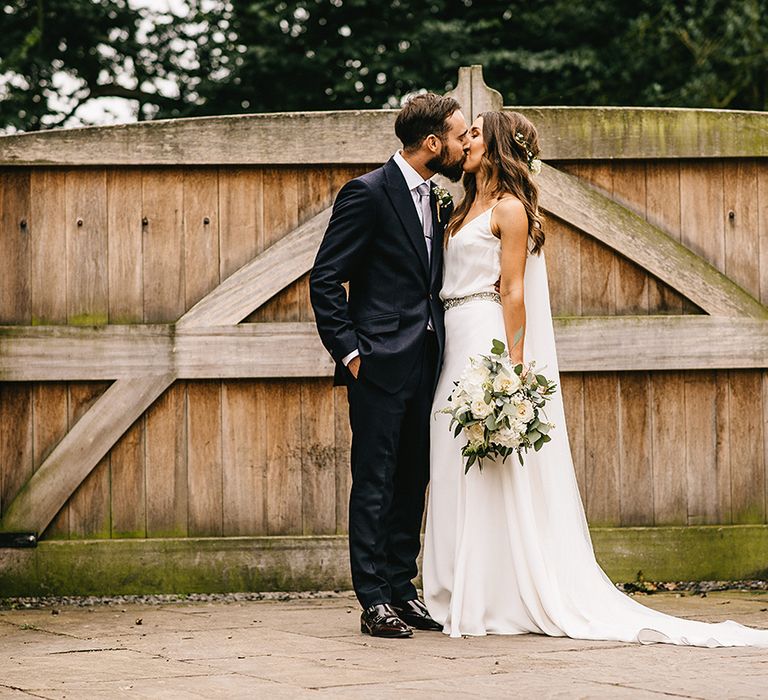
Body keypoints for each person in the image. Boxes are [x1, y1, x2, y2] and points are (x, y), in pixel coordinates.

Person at [423, 109, 768, 648]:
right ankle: (449, 588)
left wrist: (512, 370)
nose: (464, 141)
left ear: (493, 147)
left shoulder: (511, 210)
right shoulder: (464, 205)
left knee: (488, 463)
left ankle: (494, 594)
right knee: (449, 458)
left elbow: (512, 291)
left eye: (473, 134)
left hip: (485, 336)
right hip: (452, 335)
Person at [310, 93, 469, 637]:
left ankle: (403, 589)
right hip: (377, 365)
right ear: (432, 143)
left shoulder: (439, 199)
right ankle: (372, 598)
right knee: (375, 480)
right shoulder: (367, 193)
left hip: (429, 360)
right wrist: (351, 353)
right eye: (457, 136)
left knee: (414, 478)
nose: (462, 145)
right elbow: (325, 278)